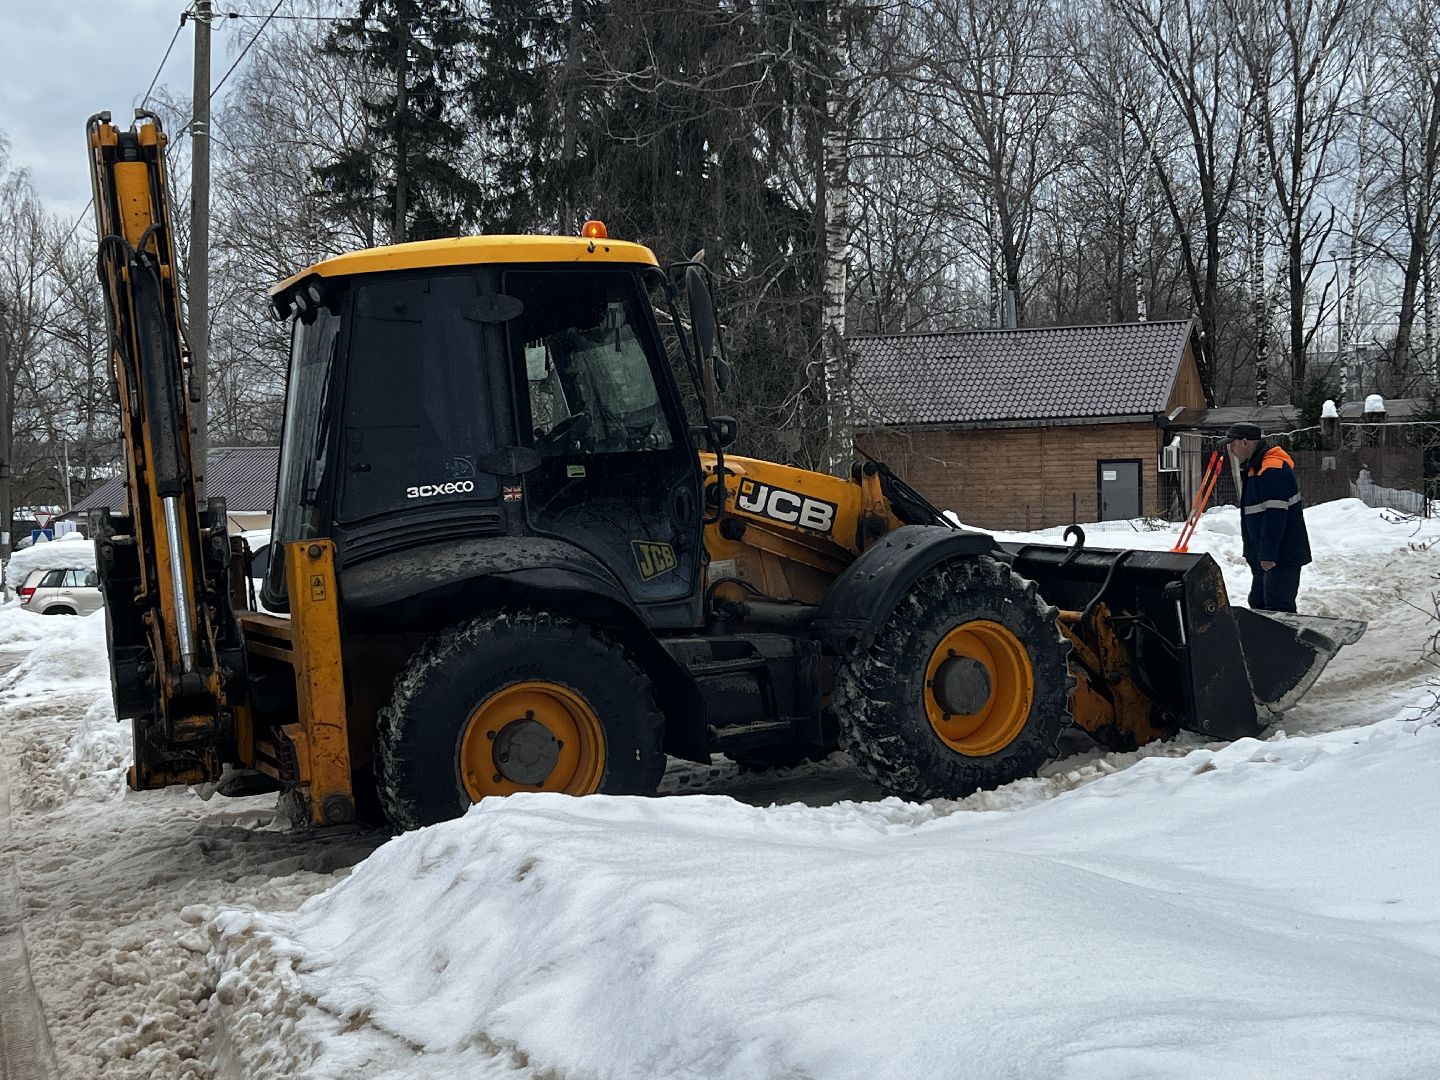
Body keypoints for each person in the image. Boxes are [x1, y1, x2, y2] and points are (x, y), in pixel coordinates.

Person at [1225, 421, 1311, 613]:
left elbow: (1275, 516)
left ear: (1245, 442)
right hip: (1264, 555)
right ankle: (1265, 643)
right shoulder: (1255, 468)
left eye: (1232, 444)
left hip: (1280, 556)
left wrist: (1268, 554)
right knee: (1259, 603)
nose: (1231, 450)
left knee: (1278, 607)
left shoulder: (1272, 469)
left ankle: (1285, 642)